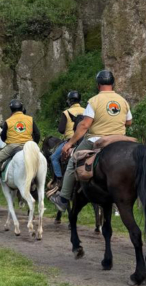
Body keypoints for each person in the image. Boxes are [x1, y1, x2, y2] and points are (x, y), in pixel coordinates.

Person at [51, 70, 133, 211]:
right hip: (121, 139)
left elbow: (84, 125)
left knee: (73, 161)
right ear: (113, 83)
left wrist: (70, 144)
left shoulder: (94, 101)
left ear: (98, 84)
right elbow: (129, 122)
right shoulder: (123, 101)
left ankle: (63, 199)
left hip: (97, 138)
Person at [0, 100, 41, 191]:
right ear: (22, 108)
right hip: (28, 146)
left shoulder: (8, 121)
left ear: (11, 109)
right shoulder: (30, 119)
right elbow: (37, 134)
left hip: (13, 146)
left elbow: (3, 137)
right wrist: (33, 144)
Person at [51, 91, 85, 181]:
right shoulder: (86, 110)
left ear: (70, 101)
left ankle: (59, 179)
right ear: (79, 101)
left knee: (54, 158)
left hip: (71, 140)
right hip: (85, 140)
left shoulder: (66, 112)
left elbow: (61, 130)